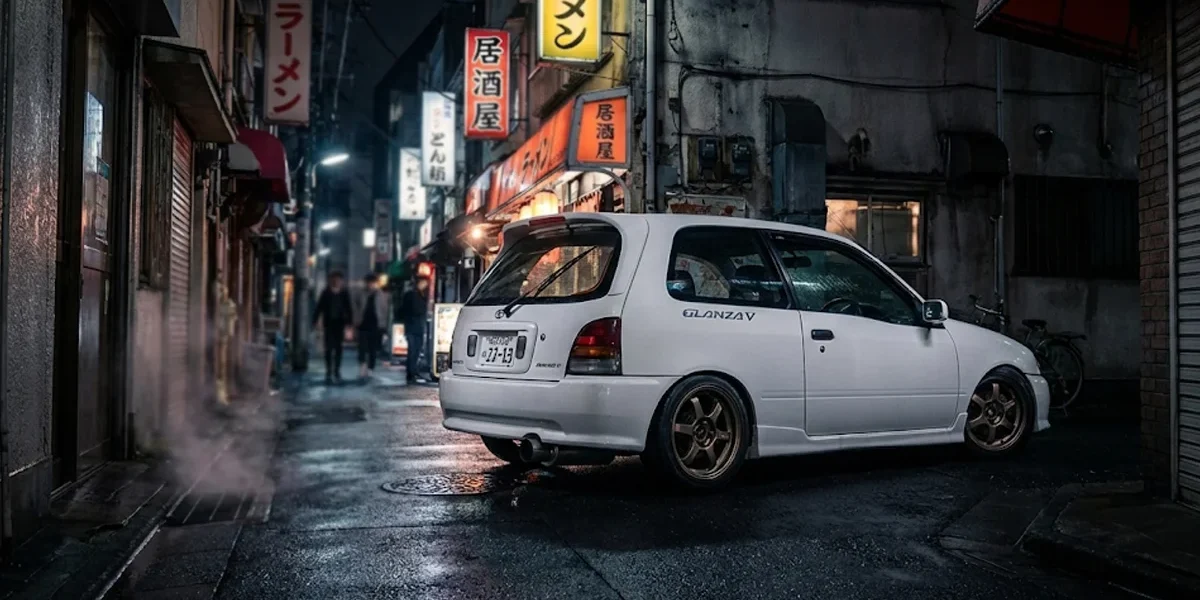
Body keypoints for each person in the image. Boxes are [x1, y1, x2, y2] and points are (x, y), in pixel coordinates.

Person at [312, 271, 352, 383]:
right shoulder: (326, 293)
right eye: (334, 279)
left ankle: (337, 371)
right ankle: (329, 371)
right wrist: (314, 320)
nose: (336, 282)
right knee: (329, 348)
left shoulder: (344, 293)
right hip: (328, 323)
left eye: (338, 280)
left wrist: (349, 324)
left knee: (339, 348)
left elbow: (349, 309)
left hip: (340, 323)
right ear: (331, 280)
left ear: (341, 281)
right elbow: (319, 307)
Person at [352, 273, 390, 379]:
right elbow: (355, 307)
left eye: (372, 283)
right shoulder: (360, 293)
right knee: (362, 347)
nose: (370, 285)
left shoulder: (381, 295)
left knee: (373, 348)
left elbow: (384, 310)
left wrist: (384, 325)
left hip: (376, 325)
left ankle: (370, 368)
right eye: (369, 283)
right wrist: (356, 320)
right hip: (363, 324)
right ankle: (362, 366)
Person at [399, 276, 430, 384]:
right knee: (413, 351)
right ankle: (411, 373)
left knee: (415, 351)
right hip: (413, 327)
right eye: (423, 283)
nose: (425, 285)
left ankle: (412, 372)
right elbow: (412, 310)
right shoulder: (412, 295)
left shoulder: (422, 295)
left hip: (416, 327)